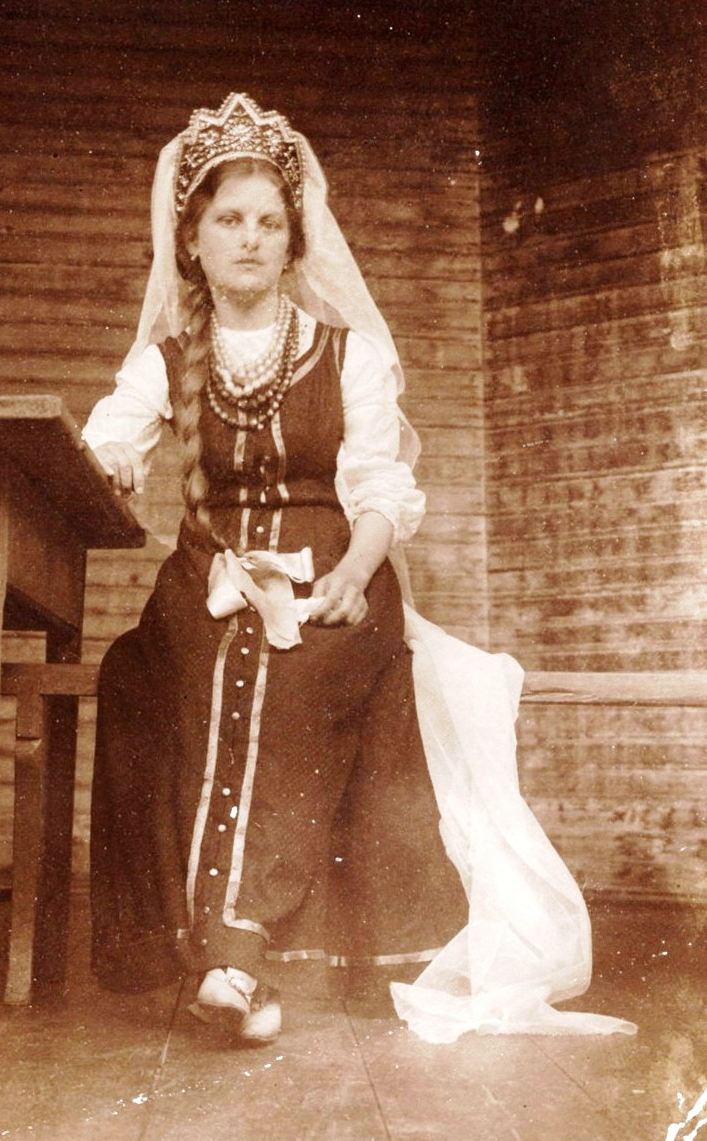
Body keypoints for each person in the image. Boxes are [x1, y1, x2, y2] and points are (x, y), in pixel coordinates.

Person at [82, 93, 636, 1047]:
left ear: (293, 243)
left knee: (289, 675)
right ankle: (212, 954)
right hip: (209, 579)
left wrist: (351, 572)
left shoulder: (348, 356)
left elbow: (379, 490)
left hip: (335, 573)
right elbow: (107, 442)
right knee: (174, 670)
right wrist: (113, 459)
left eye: (269, 223)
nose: (249, 239)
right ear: (193, 242)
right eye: (228, 220)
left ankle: (232, 958)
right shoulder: (164, 362)